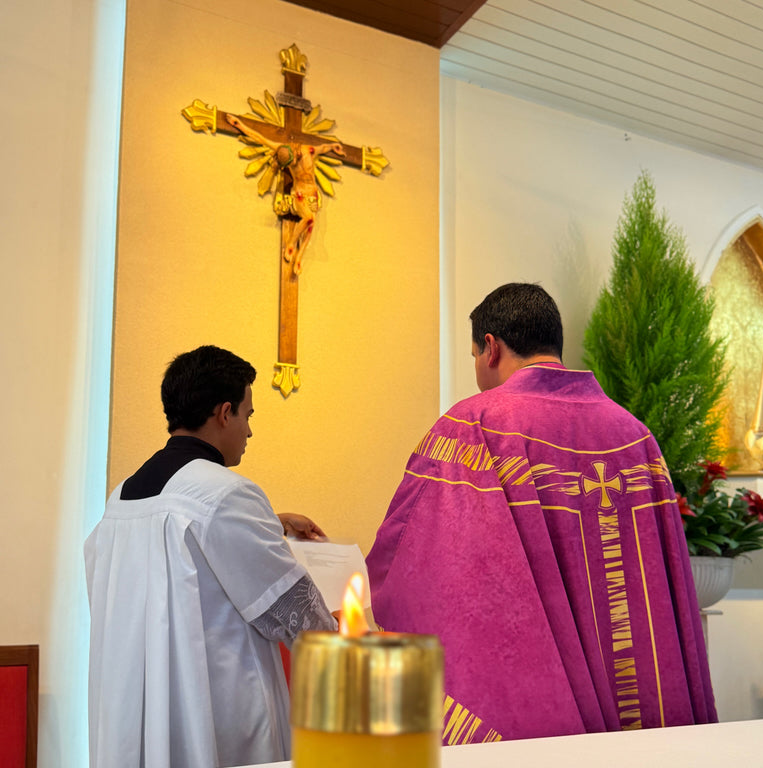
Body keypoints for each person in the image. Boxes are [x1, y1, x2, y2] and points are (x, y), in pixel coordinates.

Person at [366, 283, 717, 746]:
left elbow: (416, 556)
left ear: (490, 347)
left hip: (535, 727)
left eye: (474, 355)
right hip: (638, 708)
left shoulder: (473, 426)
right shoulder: (635, 436)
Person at [85, 345, 336, 768]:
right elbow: (297, 613)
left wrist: (271, 522)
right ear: (224, 413)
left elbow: (181, 557)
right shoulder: (227, 492)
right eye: (248, 415)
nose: (250, 432)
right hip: (214, 717)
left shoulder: (123, 497)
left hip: (136, 714)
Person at [226, 114, 345, 275]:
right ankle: (290, 244)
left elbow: (322, 148)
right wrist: (238, 124)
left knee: (311, 224)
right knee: (308, 217)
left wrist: (332, 146)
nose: (293, 166)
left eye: (293, 162)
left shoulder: (308, 151)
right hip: (299, 192)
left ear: (294, 153)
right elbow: (260, 138)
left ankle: (299, 258)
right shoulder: (281, 148)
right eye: (289, 166)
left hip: (312, 191)